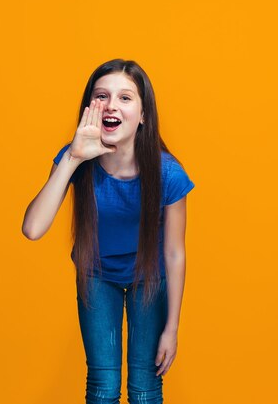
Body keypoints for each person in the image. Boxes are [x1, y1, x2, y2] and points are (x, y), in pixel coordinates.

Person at [22, 58, 194, 404]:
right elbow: (32, 228)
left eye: (126, 98)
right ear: (90, 108)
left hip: (150, 277)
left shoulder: (168, 174)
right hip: (97, 276)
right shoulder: (75, 159)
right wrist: (72, 157)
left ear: (144, 115)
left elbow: (174, 253)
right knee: (102, 387)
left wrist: (171, 329)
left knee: (145, 388)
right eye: (102, 96)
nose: (112, 105)